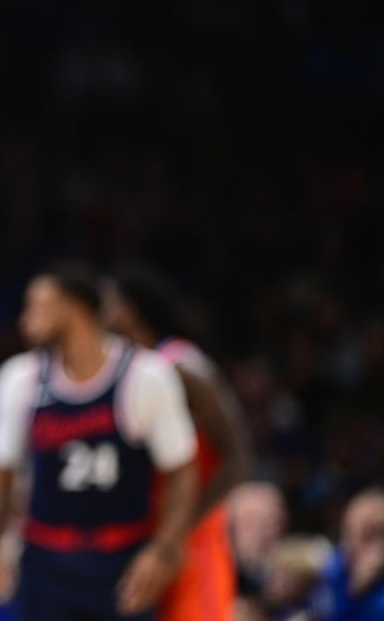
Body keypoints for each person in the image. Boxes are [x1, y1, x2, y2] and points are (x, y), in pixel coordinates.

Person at [0, 262, 199, 620]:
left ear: (75, 307)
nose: (25, 319)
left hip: (122, 559)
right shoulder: (20, 379)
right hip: (45, 559)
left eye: (38, 306)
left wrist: (164, 550)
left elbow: (183, 473)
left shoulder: (145, 376)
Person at [104, 264, 252, 621]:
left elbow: (239, 457)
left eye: (107, 303)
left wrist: (183, 527)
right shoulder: (127, 369)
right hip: (147, 531)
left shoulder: (182, 364)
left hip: (192, 533)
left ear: (128, 310)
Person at [310, 488, 384, 620]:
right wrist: (355, 589)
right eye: (351, 532)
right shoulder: (332, 570)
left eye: (374, 534)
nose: (354, 544)